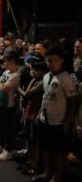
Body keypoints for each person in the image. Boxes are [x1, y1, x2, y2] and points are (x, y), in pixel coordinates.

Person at [32, 46, 77, 182]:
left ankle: (56, 177)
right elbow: (45, 98)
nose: (51, 63)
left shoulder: (66, 78)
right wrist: (39, 114)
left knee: (58, 152)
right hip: (45, 120)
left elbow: (72, 102)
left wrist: (66, 123)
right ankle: (46, 173)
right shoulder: (46, 76)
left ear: (61, 61)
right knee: (46, 149)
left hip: (59, 122)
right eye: (49, 60)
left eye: (55, 60)